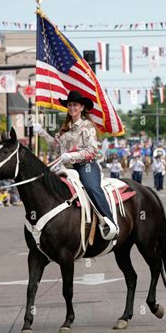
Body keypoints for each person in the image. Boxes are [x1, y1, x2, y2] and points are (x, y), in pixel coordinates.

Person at [33, 90, 118, 241]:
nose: (72, 108)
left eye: (75, 105)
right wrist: (41, 132)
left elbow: (92, 150)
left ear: (82, 107)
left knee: (92, 188)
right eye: (70, 105)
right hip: (66, 168)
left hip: (85, 165)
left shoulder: (87, 126)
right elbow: (55, 144)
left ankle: (109, 222)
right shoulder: (65, 127)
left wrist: (72, 156)